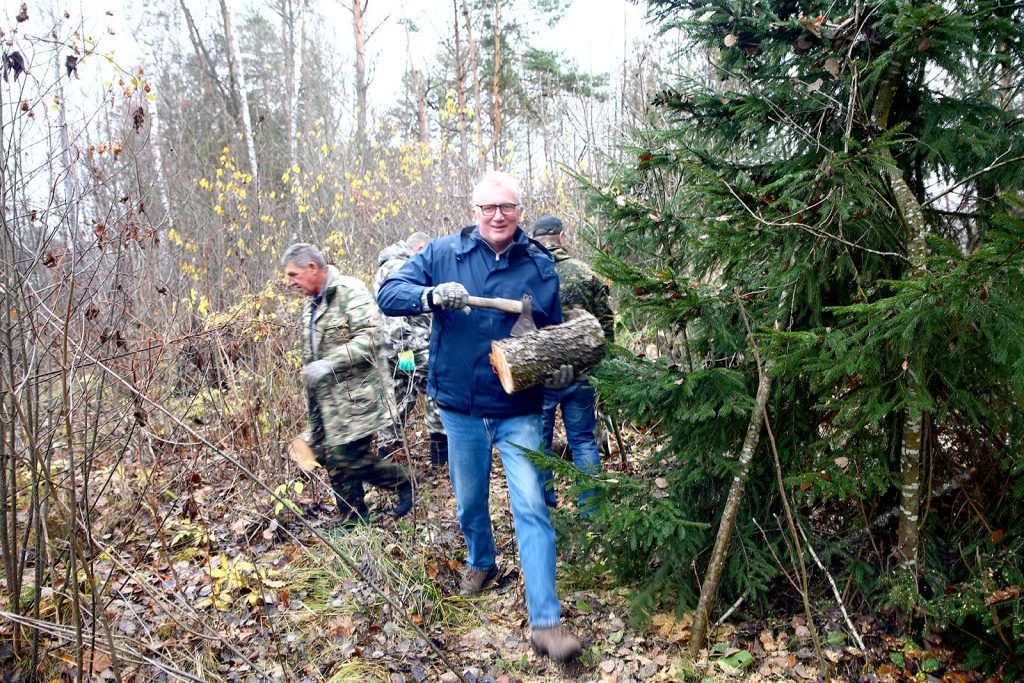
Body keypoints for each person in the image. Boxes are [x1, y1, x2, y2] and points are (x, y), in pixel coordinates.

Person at [376, 172, 582, 662]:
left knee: (531, 506)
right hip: (460, 408)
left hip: (518, 409)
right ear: (473, 211)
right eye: (488, 207)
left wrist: (560, 368)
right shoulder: (443, 254)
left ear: (518, 211)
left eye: (506, 207)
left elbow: (551, 332)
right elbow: (389, 293)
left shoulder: (539, 264)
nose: (497, 216)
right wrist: (428, 296)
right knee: (470, 503)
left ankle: (546, 623)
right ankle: (481, 561)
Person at [281, 242, 417, 524]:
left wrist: (329, 364)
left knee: (348, 458)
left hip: (359, 397)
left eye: (294, 275)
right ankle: (353, 520)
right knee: (334, 461)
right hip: (330, 403)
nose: (290, 282)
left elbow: (370, 338)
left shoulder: (348, 291)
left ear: (312, 267)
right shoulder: (311, 307)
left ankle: (404, 481)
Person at [530, 216, 614, 513]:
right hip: (580, 376)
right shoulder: (586, 273)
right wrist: (603, 365)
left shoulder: (526, 276)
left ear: (535, 240)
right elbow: (606, 325)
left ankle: (546, 512)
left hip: (539, 377)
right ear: (561, 238)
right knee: (583, 442)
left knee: (540, 446)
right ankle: (592, 512)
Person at [371, 232, 448, 466]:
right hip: (406, 350)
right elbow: (395, 316)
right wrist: (405, 355)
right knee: (438, 385)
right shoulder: (398, 268)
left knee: (400, 399)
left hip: (400, 350)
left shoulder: (393, 265)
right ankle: (440, 456)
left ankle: (391, 460)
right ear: (420, 248)